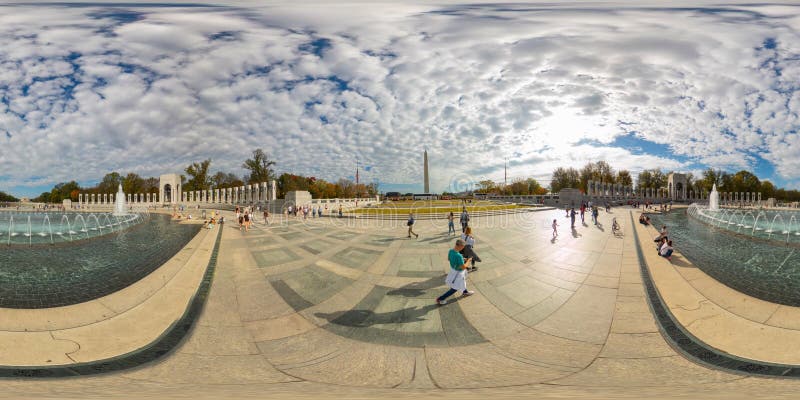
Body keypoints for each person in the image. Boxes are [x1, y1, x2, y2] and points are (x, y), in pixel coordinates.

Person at [436, 239, 474, 305]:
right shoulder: (458, 255)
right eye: (463, 247)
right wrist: (468, 260)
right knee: (455, 288)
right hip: (458, 273)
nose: (463, 248)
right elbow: (463, 267)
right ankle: (440, 298)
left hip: (453, 270)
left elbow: (449, 259)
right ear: (460, 246)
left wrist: (462, 259)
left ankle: (465, 292)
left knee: (462, 282)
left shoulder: (451, 251)